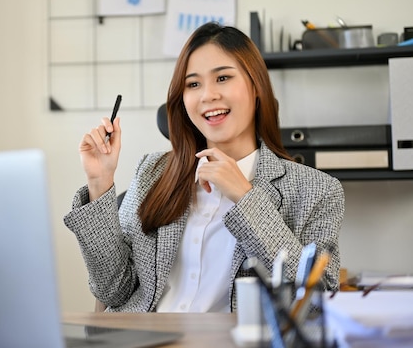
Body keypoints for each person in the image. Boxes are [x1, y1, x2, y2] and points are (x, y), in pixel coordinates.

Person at [63, 22, 344, 313]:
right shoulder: (152, 171)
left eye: (223, 78)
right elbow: (114, 290)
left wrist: (245, 199)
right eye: (193, 84)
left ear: (255, 86)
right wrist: (100, 180)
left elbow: (315, 303)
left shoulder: (318, 190)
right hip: (142, 338)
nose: (208, 95)